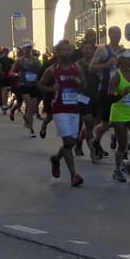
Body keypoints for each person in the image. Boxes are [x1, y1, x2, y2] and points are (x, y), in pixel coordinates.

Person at [39, 40, 86, 187]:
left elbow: (84, 85)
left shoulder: (76, 67)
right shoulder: (52, 70)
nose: (67, 52)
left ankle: (56, 159)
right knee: (68, 141)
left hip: (74, 109)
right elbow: (40, 85)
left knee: (71, 143)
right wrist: (51, 89)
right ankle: (74, 175)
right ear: (58, 52)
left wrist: (79, 82)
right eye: (64, 50)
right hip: (60, 110)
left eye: (69, 50)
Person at [107, 49, 130, 183]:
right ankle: (117, 170)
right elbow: (109, 98)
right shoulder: (116, 77)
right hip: (119, 113)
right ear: (121, 60)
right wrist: (122, 94)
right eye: (128, 58)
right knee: (122, 145)